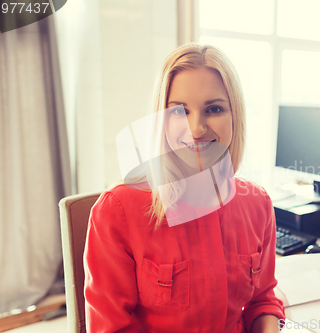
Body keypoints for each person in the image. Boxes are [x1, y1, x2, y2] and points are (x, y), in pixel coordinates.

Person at [84, 44, 285, 332]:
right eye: (179, 111)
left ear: (235, 116)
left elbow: (262, 301)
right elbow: (111, 327)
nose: (196, 129)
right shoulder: (117, 211)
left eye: (214, 109)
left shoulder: (258, 204)